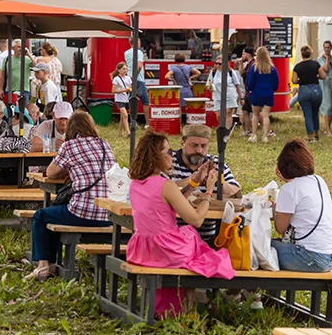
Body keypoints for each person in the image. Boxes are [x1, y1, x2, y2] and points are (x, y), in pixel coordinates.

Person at [126, 131, 234, 316]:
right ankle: (196, 303)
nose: (171, 155)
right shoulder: (164, 184)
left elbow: (170, 201)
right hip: (168, 250)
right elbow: (197, 219)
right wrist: (208, 191)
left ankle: (187, 304)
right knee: (205, 248)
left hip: (143, 249)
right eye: (168, 152)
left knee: (193, 242)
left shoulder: (136, 183)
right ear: (156, 155)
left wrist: (194, 180)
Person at [26, 110, 115, 281]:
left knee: (41, 216)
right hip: (108, 213)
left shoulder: (70, 146)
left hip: (82, 212)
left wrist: (68, 170)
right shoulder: (105, 144)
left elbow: (51, 172)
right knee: (53, 215)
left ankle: (44, 265)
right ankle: (52, 261)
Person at [270, 139, 332, 272]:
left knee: (260, 247)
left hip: (309, 257)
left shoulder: (289, 189)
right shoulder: (319, 180)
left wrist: (275, 209)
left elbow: (280, 228)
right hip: (330, 256)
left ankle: (246, 290)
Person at [168, 124, 242, 243]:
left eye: (204, 146)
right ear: (182, 143)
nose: (199, 150)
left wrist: (218, 179)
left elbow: (236, 192)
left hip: (208, 238)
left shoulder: (217, 162)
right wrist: (193, 179)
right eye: (194, 145)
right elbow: (161, 189)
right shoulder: (169, 162)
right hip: (175, 237)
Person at [290, 45, 326, 142]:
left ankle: (310, 136)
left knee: (308, 114)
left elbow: (294, 80)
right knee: (315, 113)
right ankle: (316, 134)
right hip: (316, 90)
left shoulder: (298, 66)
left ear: (301, 54)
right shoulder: (316, 64)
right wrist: (315, 77)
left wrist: (301, 80)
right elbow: (323, 76)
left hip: (304, 90)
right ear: (310, 53)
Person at [246, 46, 279, 143]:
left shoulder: (254, 67)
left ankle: (254, 135)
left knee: (255, 115)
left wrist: (250, 89)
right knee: (265, 115)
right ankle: (265, 136)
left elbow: (250, 82)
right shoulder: (272, 68)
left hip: (257, 92)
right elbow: (276, 82)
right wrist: (273, 89)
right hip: (268, 92)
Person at [207, 57, 242, 135]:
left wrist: (241, 97)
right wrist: (210, 87)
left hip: (230, 95)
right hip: (218, 96)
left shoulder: (231, 72)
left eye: (220, 64)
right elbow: (208, 84)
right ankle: (223, 126)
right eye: (216, 63)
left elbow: (237, 85)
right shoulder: (213, 72)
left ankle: (226, 131)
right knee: (219, 115)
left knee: (228, 113)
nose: (218, 65)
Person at [3, 40, 29, 104]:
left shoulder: (26, 59)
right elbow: (1, 74)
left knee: (24, 110)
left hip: (24, 89)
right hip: (10, 89)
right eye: (19, 47)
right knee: (10, 109)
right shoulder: (7, 59)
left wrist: (29, 54)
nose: (21, 49)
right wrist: (0, 89)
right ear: (13, 48)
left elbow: (36, 65)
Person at [238, 46, 256, 136]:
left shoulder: (254, 64)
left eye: (243, 54)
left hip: (252, 91)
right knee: (245, 110)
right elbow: (241, 74)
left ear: (247, 54)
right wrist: (241, 63)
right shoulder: (247, 64)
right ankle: (248, 130)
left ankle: (268, 130)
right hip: (247, 92)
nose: (242, 56)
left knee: (257, 111)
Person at [111, 61, 132, 133]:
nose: (125, 70)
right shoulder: (116, 79)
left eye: (126, 69)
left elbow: (130, 87)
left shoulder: (128, 78)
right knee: (125, 115)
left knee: (122, 116)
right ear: (119, 70)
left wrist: (129, 90)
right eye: (123, 69)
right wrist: (124, 90)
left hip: (126, 99)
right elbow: (113, 90)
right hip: (119, 99)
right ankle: (128, 131)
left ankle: (119, 132)